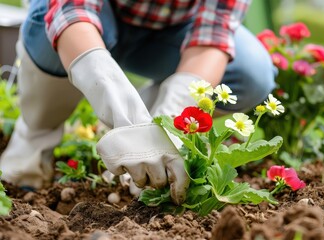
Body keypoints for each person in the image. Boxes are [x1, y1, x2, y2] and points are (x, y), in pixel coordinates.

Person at [0, 0, 275, 205]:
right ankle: (34, 141)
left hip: (167, 35)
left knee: (250, 73)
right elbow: (70, 10)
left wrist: (170, 122)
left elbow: (212, 36)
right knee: (48, 32)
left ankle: (147, 122)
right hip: (87, 21)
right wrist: (117, 104)